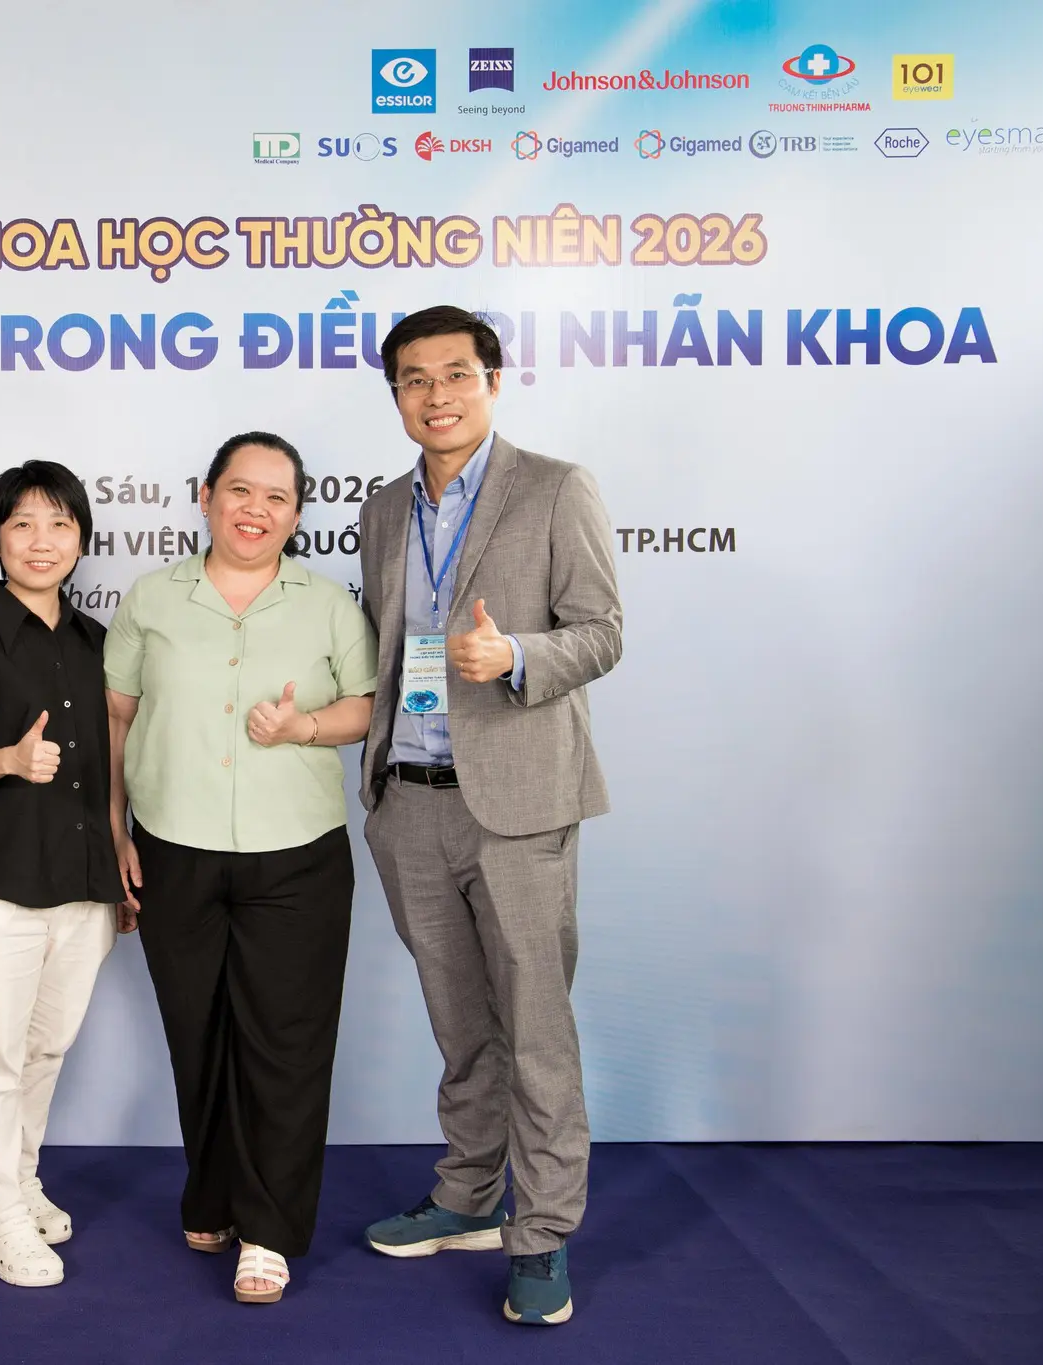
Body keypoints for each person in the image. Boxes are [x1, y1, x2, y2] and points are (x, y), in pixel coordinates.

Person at [354, 305, 622, 1327]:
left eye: (455, 374)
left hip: (516, 806)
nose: (436, 396)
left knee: (535, 1030)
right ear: (396, 396)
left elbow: (601, 632)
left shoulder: (554, 488)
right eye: (414, 380)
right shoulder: (383, 510)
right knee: (461, 1025)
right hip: (410, 803)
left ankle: (542, 1230)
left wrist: (513, 655)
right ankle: (467, 1193)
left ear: (492, 382)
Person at [105, 432, 377, 1305]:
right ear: (206, 496)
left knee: (285, 1041)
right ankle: (214, 1190)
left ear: (297, 514)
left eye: (277, 497)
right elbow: (117, 718)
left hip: (295, 854)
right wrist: (113, 829)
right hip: (173, 846)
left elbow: (366, 707)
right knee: (199, 1030)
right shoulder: (152, 597)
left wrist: (304, 728)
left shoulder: (327, 604)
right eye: (239, 490)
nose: (256, 510)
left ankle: (268, 1229)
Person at [0, 461, 130, 1289]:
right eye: (22, 524)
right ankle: (2, 1219)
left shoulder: (98, 643)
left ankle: (19, 1180)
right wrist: (9, 759)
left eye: (58, 524)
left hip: (82, 880)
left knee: (45, 1047)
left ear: (80, 538)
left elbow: (112, 765)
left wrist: (118, 849)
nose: (41, 541)